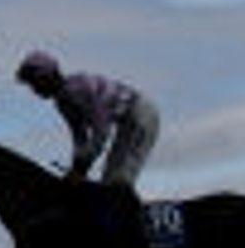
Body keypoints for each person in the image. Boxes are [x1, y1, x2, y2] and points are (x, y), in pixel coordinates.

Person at [15, 50, 159, 191]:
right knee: (108, 181)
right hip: (128, 121)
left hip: (141, 114)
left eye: (34, 83)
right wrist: (77, 167)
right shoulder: (62, 102)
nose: (33, 90)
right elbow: (79, 137)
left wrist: (80, 168)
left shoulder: (80, 88)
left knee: (119, 180)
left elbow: (101, 131)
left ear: (46, 77)